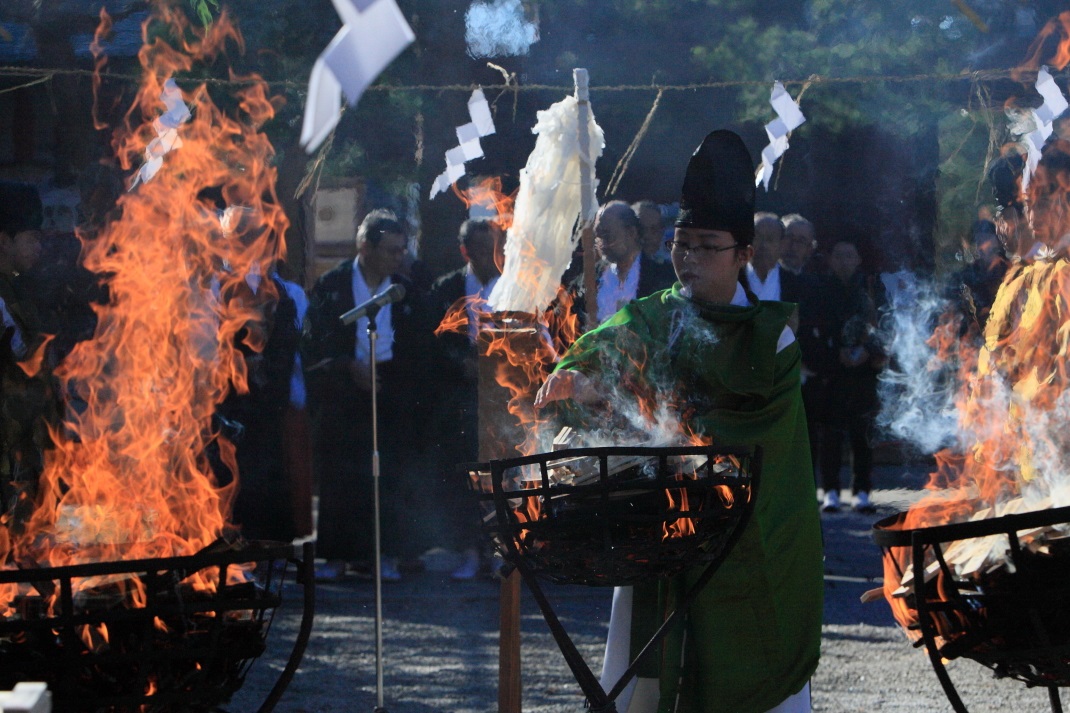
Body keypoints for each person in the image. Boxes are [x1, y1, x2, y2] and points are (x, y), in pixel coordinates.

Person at [535, 131, 822, 713]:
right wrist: (581, 386)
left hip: (748, 539)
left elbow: (755, 436)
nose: (687, 259)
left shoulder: (773, 337)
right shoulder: (650, 317)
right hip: (658, 538)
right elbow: (577, 369)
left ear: (743, 254)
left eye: (706, 246)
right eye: (680, 244)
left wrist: (648, 416)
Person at [303, 208, 433, 581]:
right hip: (346, 388)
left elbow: (420, 341)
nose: (398, 258)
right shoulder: (334, 285)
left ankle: (385, 553)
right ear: (365, 246)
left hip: (390, 387)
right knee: (342, 475)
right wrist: (346, 364)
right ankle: (338, 556)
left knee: (388, 473)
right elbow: (315, 340)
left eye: (401, 251)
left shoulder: (404, 287)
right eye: (391, 250)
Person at [428, 217, 504, 580]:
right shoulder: (447, 288)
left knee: (501, 476)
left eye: (494, 247)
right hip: (461, 397)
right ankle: (471, 550)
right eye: (481, 248)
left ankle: (501, 549)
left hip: (504, 396)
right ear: (465, 251)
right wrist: (462, 363)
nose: (490, 255)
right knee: (466, 476)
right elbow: (432, 340)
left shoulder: (515, 282)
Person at [813, 240, 884, 513]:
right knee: (830, 433)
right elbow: (814, 326)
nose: (844, 261)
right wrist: (835, 353)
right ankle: (830, 490)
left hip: (864, 371)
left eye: (849, 256)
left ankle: (862, 491)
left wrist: (869, 350)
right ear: (831, 260)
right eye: (838, 256)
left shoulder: (870, 287)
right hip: (833, 370)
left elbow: (883, 323)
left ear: (857, 260)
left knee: (862, 433)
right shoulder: (820, 288)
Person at [572, 201, 676, 327]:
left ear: (631, 233)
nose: (601, 243)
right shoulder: (587, 278)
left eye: (607, 235)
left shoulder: (664, 279)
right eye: (598, 236)